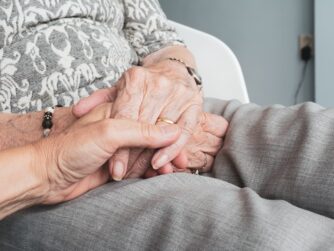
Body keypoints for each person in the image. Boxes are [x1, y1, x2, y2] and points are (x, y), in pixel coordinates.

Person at [1, 0, 334, 250]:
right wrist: (63, 129)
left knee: (321, 139)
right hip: (37, 161)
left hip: (156, 106)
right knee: (276, 239)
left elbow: (161, 39)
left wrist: (174, 79)